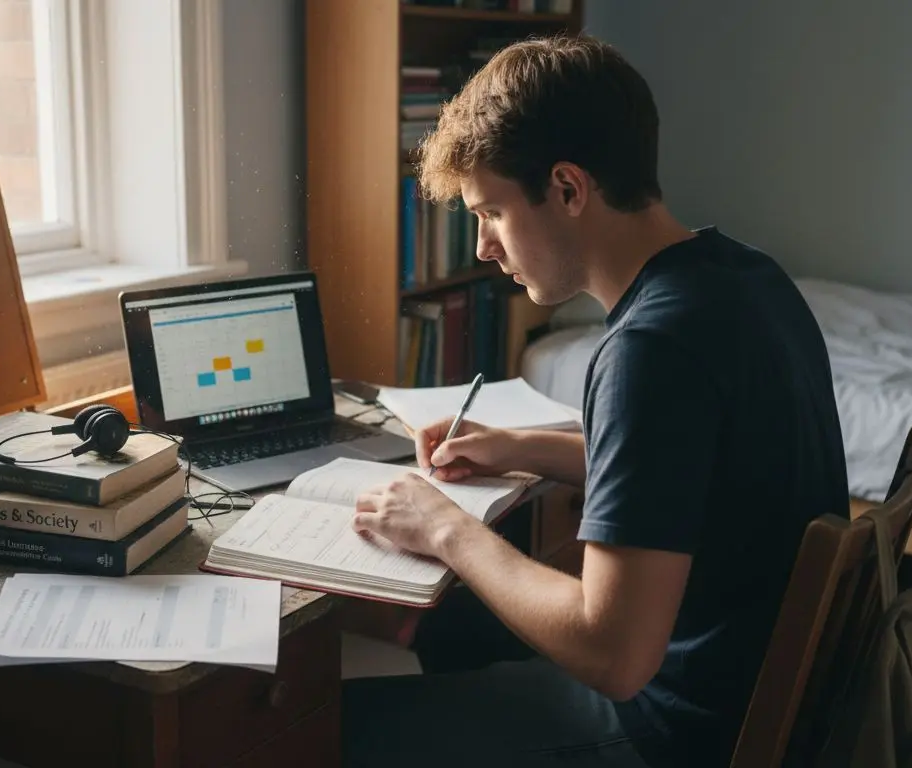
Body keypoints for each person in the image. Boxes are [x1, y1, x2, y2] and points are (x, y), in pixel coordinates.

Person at [343, 35, 849, 768]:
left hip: (678, 731)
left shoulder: (649, 349)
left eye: (492, 214)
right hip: (764, 688)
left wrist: (445, 528)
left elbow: (613, 655)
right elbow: (700, 474)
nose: (485, 248)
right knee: (453, 630)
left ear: (569, 189)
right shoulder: (744, 277)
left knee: (334, 730)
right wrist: (525, 449)